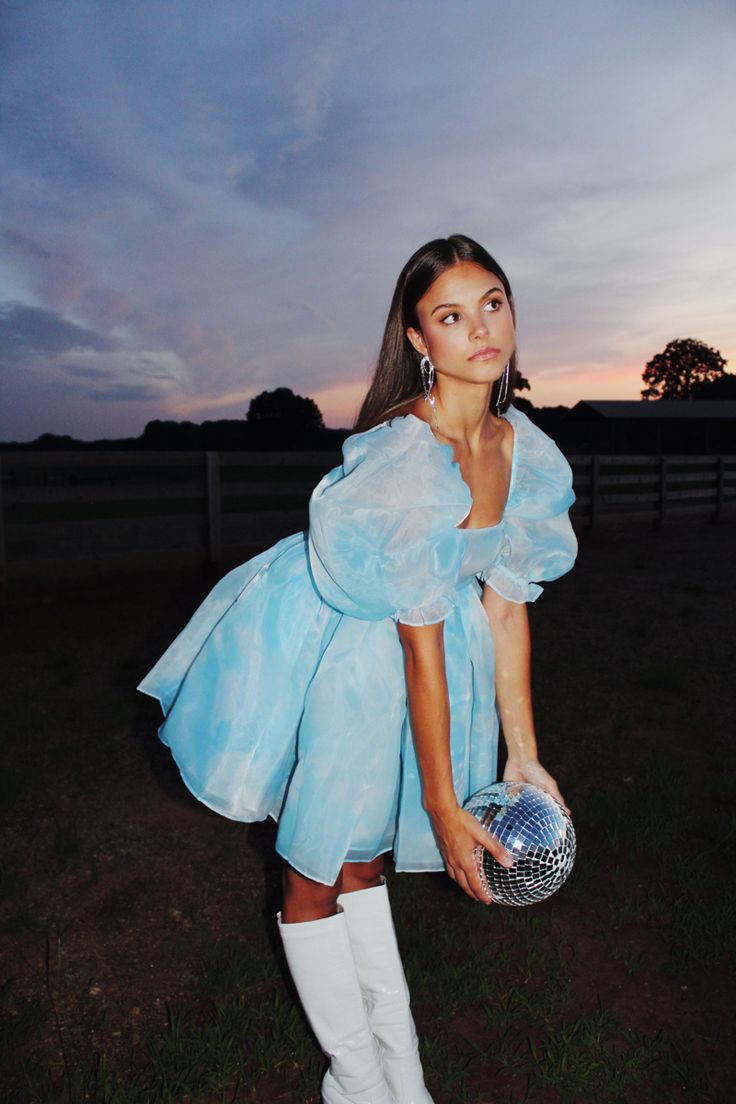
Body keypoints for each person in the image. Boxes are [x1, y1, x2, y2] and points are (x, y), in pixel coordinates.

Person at [138, 234, 577, 1104]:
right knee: (316, 869)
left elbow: (505, 603)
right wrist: (447, 807)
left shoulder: (521, 447)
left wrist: (521, 755)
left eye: (492, 302)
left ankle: (397, 1080)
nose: (480, 328)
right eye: (450, 315)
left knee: (365, 868)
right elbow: (413, 636)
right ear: (419, 341)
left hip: (434, 647)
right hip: (352, 649)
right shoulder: (400, 458)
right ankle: (354, 1077)